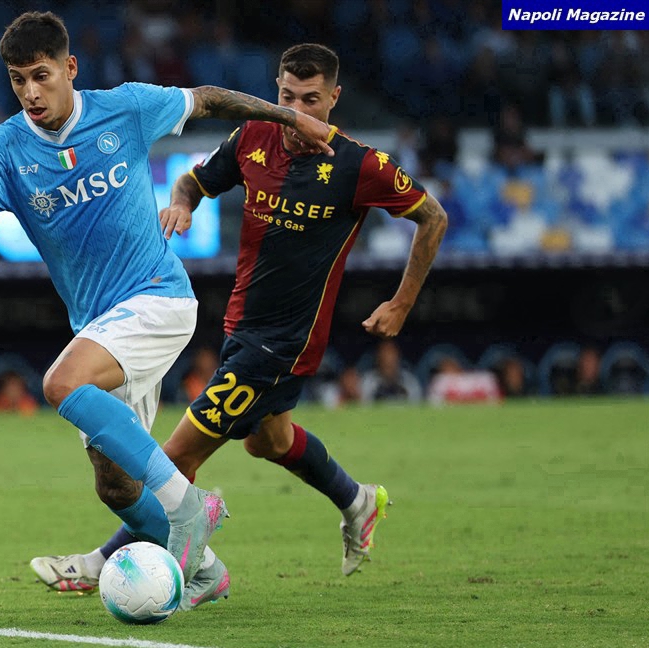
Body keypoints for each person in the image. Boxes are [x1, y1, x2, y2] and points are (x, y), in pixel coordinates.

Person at [0, 12, 335, 592]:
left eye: (41, 76)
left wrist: (290, 116)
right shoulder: (2, 147)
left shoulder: (126, 108)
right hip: (99, 325)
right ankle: (206, 570)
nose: (30, 92)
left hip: (157, 297)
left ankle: (190, 506)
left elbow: (208, 99)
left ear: (70, 68)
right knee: (115, 485)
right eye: (18, 80)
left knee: (61, 384)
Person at [30, 43, 447, 601]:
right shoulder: (253, 136)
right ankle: (357, 500)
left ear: (334, 98)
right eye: (287, 96)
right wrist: (183, 204)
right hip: (241, 328)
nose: (296, 111)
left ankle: (101, 563)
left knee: (173, 459)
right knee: (269, 441)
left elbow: (432, 217)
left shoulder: (361, 165)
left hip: (283, 344)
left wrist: (401, 302)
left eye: (311, 100)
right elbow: (193, 181)